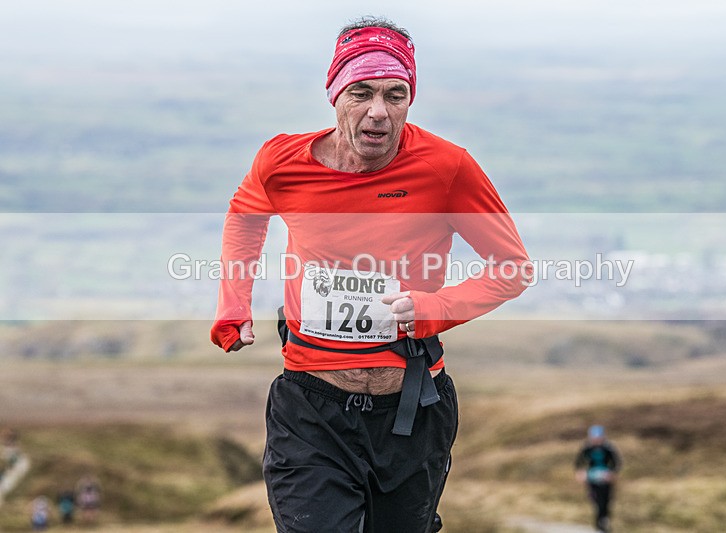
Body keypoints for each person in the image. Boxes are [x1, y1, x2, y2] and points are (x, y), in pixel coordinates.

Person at [209, 15, 531, 533]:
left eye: (395, 94)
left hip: (411, 409)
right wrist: (233, 305)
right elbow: (245, 217)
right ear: (335, 94)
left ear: (410, 98)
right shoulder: (281, 162)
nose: (378, 112)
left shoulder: (447, 169)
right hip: (310, 410)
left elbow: (513, 269)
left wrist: (434, 309)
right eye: (361, 93)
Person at [574, 425, 622, 532]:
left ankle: (603, 521)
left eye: (598, 437)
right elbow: (578, 462)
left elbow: (617, 462)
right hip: (592, 478)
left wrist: (612, 473)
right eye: (594, 438)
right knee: (596, 501)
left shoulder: (608, 448)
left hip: (605, 478)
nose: (596, 440)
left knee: (606, 501)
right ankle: (599, 524)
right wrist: (580, 472)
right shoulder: (587, 447)